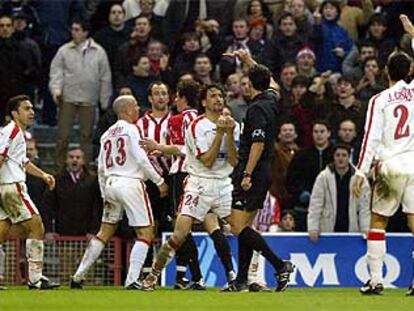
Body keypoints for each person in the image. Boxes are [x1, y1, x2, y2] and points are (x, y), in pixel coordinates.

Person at [141, 84, 239, 291]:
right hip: (198, 183)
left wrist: (228, 134)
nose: (219, 100)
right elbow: (204, 158)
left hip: (216, 183)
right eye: (214, 96)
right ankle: (153, 277)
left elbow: (233, 159)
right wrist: (221, 134)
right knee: (180, 235)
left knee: (241, 229)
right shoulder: (197, 125)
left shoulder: (231, 125)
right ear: (203, 102)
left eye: (221, 96)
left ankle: (237, 278)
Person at [70, 95, 168, 289]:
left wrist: (104, 192)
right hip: (131, 182)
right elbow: (141, 160)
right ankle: (132, 280)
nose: (138, 108)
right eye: (135, 105)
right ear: (126, 110)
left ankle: (78, 276)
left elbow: (99, 168)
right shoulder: (132, 130)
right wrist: (159, 181)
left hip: (111, 183)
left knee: (104, 232)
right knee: (146, 233)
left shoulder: (106, 134)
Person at [352, 15, 414, 296]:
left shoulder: (380, 99)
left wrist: (360, 171)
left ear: (387, 70)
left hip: (390, 166)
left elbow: (371, 139)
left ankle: (375, 280)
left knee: (378, 221)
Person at [226, 49, 294, 292]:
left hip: (252, 171)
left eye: (246, 81)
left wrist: (246, 174)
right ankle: (242, 279)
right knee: (245, 227)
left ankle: (280, 265)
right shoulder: (271, 99)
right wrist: (248, 61)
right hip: (263, 171)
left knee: (236, 227)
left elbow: (258, 142)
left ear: (251, 85)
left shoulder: (256, 109)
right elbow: (272, 83)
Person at [0, 95, 58, 289]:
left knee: (1, 233)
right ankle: (35, 279)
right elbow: (1, 156)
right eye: (26, 108)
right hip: (12, 186)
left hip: (4, 187)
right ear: (15, 114)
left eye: (32, 108)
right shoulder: (13, 130)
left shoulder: (15, 133)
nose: (32, 112)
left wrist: (42, 174)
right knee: (37, 227)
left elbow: (21, 161)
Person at [49, 19, 112, 171]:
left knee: (86, 137)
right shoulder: (64, 50)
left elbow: (105, 77)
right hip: (68, 98)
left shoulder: (99, 51)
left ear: (85, 32)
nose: (74, 32)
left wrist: (104, 100)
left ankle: (86, 170)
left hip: (89, 99)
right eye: (73, 29)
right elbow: (56, 72)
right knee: (63, 136)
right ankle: (59, 168)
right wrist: (56, 91)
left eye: (77, 29)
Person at [307, 144, 371, 242]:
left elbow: (364, 207)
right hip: (328, 228)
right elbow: (315, 204)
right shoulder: (323, 177)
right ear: (333, 157)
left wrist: (365, 228)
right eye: (337, 155)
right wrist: (313, 227)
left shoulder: (359, 179)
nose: (340, 158)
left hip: (351, 227)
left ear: (349, 157)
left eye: (344, 155)